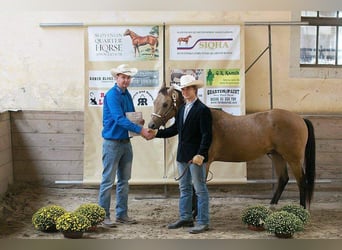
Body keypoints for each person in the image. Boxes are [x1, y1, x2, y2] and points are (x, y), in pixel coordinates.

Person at [150, 74, 212, 234]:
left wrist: (201, 154)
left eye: (187, 89)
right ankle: (186, 217)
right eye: (183, 89)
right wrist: (155, 133)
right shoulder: (182, 109)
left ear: (194, 89)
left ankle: (203, 221)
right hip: (182, 156)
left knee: (200, 189)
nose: (184, 92)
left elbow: (207, 135)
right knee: (184, 189)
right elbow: (174, 130)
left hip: (196, 158)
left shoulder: (203, 110)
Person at [98, 64, 153, 227]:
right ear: (117, 78)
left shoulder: (126, 94)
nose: (126, 80)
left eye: (128, 77)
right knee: (108, 181)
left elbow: (128, 117)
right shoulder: (112, 95)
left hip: (125, 143)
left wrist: (138, 122)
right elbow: (119, 119)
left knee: (124, 180)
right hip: (113, 143)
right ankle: (103, 216)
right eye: (123, 77)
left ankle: (121, 214)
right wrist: (140, 129)